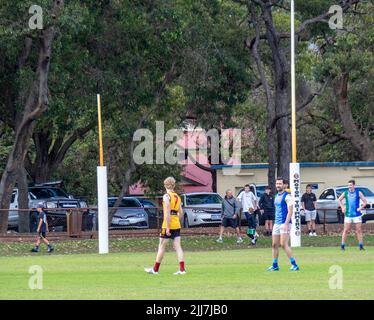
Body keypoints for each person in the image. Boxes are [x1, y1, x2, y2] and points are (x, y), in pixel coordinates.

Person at [144, 177, 186, 275]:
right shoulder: (177, 197)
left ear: (165, 185)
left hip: (168, 224)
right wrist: (175, 219)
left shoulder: (166, 196)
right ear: (173, 185)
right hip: (176, 223)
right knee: (178, 246)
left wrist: (167, 227)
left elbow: (167, 212)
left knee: (161, 246)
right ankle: (182, 269)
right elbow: (181, 213)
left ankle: (155, 269)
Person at [267, 178, 299, 271]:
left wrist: (286, 223)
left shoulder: (287, 196)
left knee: (283, 244)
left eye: (280, 183)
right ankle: (275, 265)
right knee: (274, 245)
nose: (278, 185)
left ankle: (294, 264)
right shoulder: (276, 195)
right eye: (277, 183)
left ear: (284, 185)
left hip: (285, 223)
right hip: (277, 223)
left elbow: (290, 211)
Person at [338, 180, 367, 251]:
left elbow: (365, 202)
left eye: (351, 185)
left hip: (357, 215)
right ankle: (342, 246)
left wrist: (360, 208)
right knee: (346, 230)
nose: (349, 186)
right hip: (348, 215)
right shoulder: (345, 193)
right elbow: (339, 200)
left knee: (359, 230)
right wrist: (342, 207)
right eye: (348, 185)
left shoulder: (358, 192)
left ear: (354, 185)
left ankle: (361, 246)